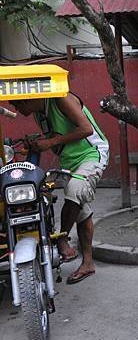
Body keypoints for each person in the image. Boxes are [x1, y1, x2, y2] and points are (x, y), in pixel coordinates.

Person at [9, 93, 109, 285]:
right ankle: (87, 263)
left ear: (26, 99)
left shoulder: (61, 99)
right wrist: (39, 144)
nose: (16, 110)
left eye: (16, 104)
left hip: (92, 154)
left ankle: (62, 238)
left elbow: (86, 129)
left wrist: (50, 143)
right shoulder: (39, 112)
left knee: (75, 189)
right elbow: (57, 136)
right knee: (80, 208)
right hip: (70, 159)